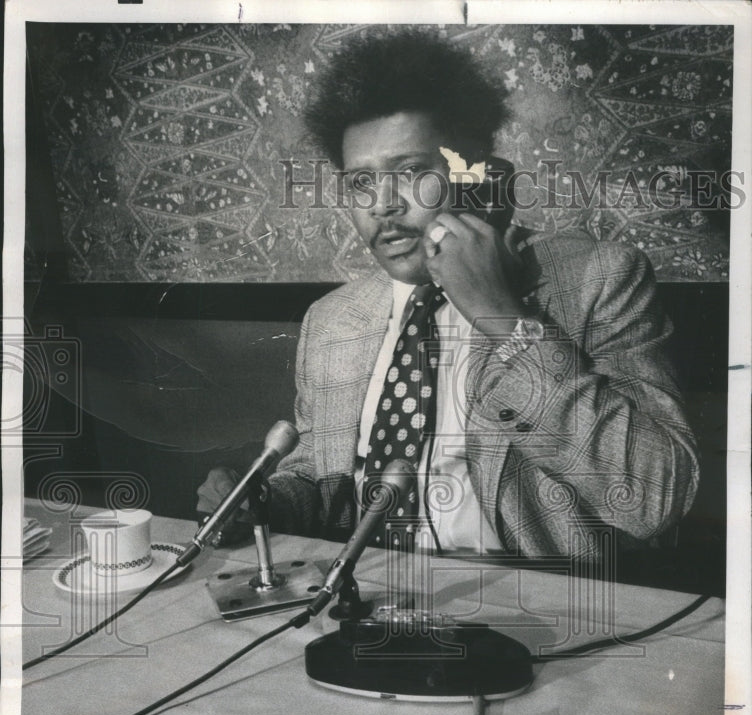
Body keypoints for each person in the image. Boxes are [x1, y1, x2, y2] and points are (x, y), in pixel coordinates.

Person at [198, 31, 698, 564]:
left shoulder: (599, 278)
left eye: (411, 172)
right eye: (362, 182)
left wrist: (505, 320)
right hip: (363, 594)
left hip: (527, 611)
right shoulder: (332, 320)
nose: (383, 206)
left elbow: (653, 498)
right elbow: (322, 481)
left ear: (475, 173)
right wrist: (264, 502)